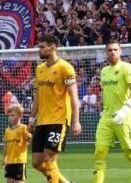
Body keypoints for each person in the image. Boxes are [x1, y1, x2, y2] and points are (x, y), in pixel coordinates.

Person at [94, 41, 131, 183]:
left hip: (123, 117)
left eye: (115, 49)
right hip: (106, 117)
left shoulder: (126, 67)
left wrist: (125, 109)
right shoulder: (104, 71)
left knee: (130, 154)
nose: (112, 52)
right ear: (106, 53)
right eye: (110, 50)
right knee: (99, 152)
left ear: (120, 51)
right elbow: (105, 92)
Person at [30, 34, 82, 183]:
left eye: (42, 47)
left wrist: (75, 121)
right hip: (42, 120)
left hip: (58, 119)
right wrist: (32, 119)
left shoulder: (65, 68)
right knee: (36, 162)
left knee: (49, 159)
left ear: (52, 48)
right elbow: (37, 97)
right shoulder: (39, 69)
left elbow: (73, 97)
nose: (39, 50)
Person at [2, 104, 31, 183]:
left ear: (20, 116)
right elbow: (6, 146)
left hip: (19, 161)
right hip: (9, 161)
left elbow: (30, 140)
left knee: (19, 181)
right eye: (9, 115)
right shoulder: (7, 130)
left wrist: (31, 137)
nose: (10, 117)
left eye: (12, 115)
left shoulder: (23, 128)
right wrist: (4, 158)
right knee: (9, 181)